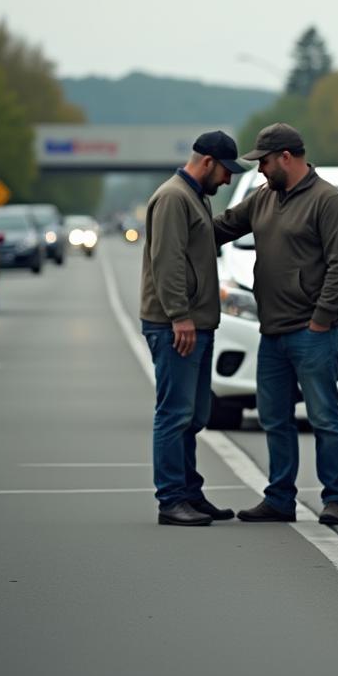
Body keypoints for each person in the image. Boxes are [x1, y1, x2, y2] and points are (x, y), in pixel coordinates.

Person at [214, 123, 338, 526]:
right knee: (274, 418)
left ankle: (336, 499)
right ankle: (279, 498)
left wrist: (321, 320)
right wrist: (179, 223)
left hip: (311, 333)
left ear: (286, 158)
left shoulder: (328, 201)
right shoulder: (263, 199)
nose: (259, 169)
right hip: (272, 333)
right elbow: (221, 227)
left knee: (323, 418)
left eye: (263, 161)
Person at [139, 130, 246, 527]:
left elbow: (200, 244)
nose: (228, 179)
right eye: (225, 171)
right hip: (175, 326)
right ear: (207, 163)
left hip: (196, 324)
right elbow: (167, 261)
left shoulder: (194, 197)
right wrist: (179, 316)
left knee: (195, 414)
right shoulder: (173, 198)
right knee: (174, 413)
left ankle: (189, 492)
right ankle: (170, 500)